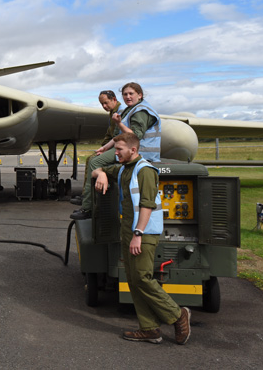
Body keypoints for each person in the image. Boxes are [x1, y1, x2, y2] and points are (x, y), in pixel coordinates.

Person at [90, 133, 190, 344]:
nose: (115, 153)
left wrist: (138, 234)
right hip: (128, 230)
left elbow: (147, 204)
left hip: (143, 232)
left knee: (142, 278)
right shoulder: (124, 168)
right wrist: (101, 174)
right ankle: (149, 328)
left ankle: (177, 315)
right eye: (115, 149)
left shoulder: (144, 171)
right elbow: (95, 168)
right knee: (133, 281)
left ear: (133, 150)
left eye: (119, 149)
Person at [71, 82, 161, 220]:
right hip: (129, 149)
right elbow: (120, 136)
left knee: (95, 162)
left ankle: (88, 208)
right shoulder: (130, 110)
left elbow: (135, 136)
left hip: (139, 152)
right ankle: (94, 201)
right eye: (125, 94)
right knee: (96, 158)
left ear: (140, 95)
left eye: (131, 94)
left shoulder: (141, 111)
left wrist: (118, 123)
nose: (128, 96)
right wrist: (105, 147)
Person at [69, 90, 120, 206]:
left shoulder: (120, 112)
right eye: (102, 104)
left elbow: (118, 136)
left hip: (119, 147)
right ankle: (86, 195)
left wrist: (106, 149)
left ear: (114, 100)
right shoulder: (112, 113)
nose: (104, 106)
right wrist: (103, 148)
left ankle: (88, 202)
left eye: (106, 103)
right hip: (114, 146)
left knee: (93, 161)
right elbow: (109, 135)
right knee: (91, 158)